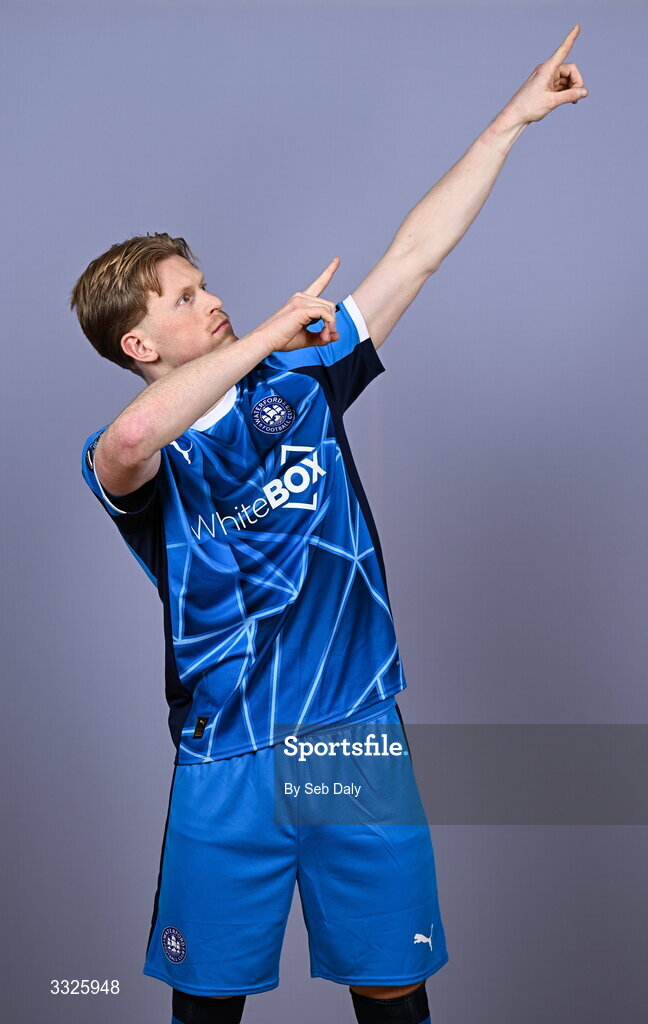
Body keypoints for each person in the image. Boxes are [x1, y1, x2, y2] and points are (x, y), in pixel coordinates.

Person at [71, 25, 586, 1024]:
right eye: (186, 297)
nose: (213, 299)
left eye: (206, 280)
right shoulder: (127, 453)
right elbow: (136, 429)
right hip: (230, 757)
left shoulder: (299, 378)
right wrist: (266, 332)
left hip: (351, 739)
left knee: (393, 996)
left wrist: (512, 121)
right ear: (138, 339)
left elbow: (416, 256)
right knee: (207, 1007)